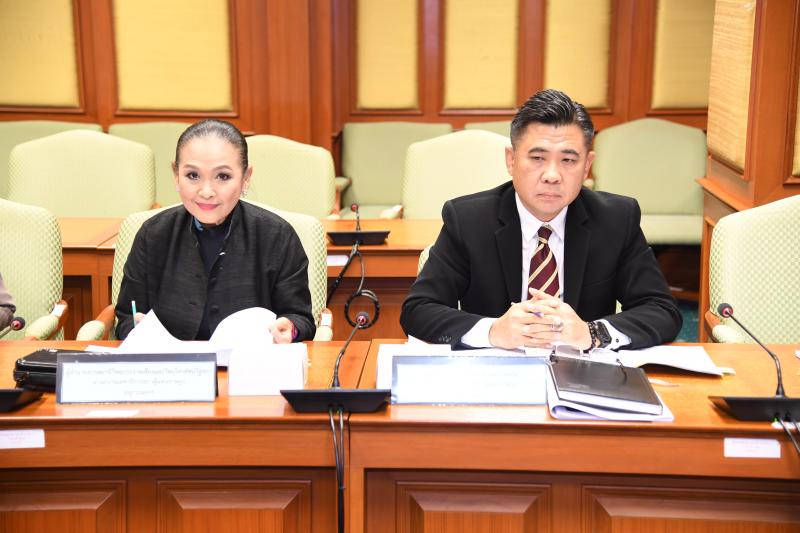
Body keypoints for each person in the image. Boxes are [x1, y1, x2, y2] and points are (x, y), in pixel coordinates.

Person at [401, 89, 681, 351]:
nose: (552, 175)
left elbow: (662, 311)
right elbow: (419, 310)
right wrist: (493, 331)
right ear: (511, 160)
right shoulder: (468, 220)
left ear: (587, 166)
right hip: (495, 371)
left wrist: (592, 333)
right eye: (537, 158)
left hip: (584, 373)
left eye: (568, 160)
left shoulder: (616, 219)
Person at [115, 119, 315, 342]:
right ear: (176, 175)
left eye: (223, 177)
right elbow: (126, 318)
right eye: (193, 175)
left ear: (246, 178)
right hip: (171, 362)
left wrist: (290, 329)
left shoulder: (278, 236)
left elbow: (301, 319)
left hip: (249, 361)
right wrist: (135, 328)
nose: (207, 192)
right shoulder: (153, 234)